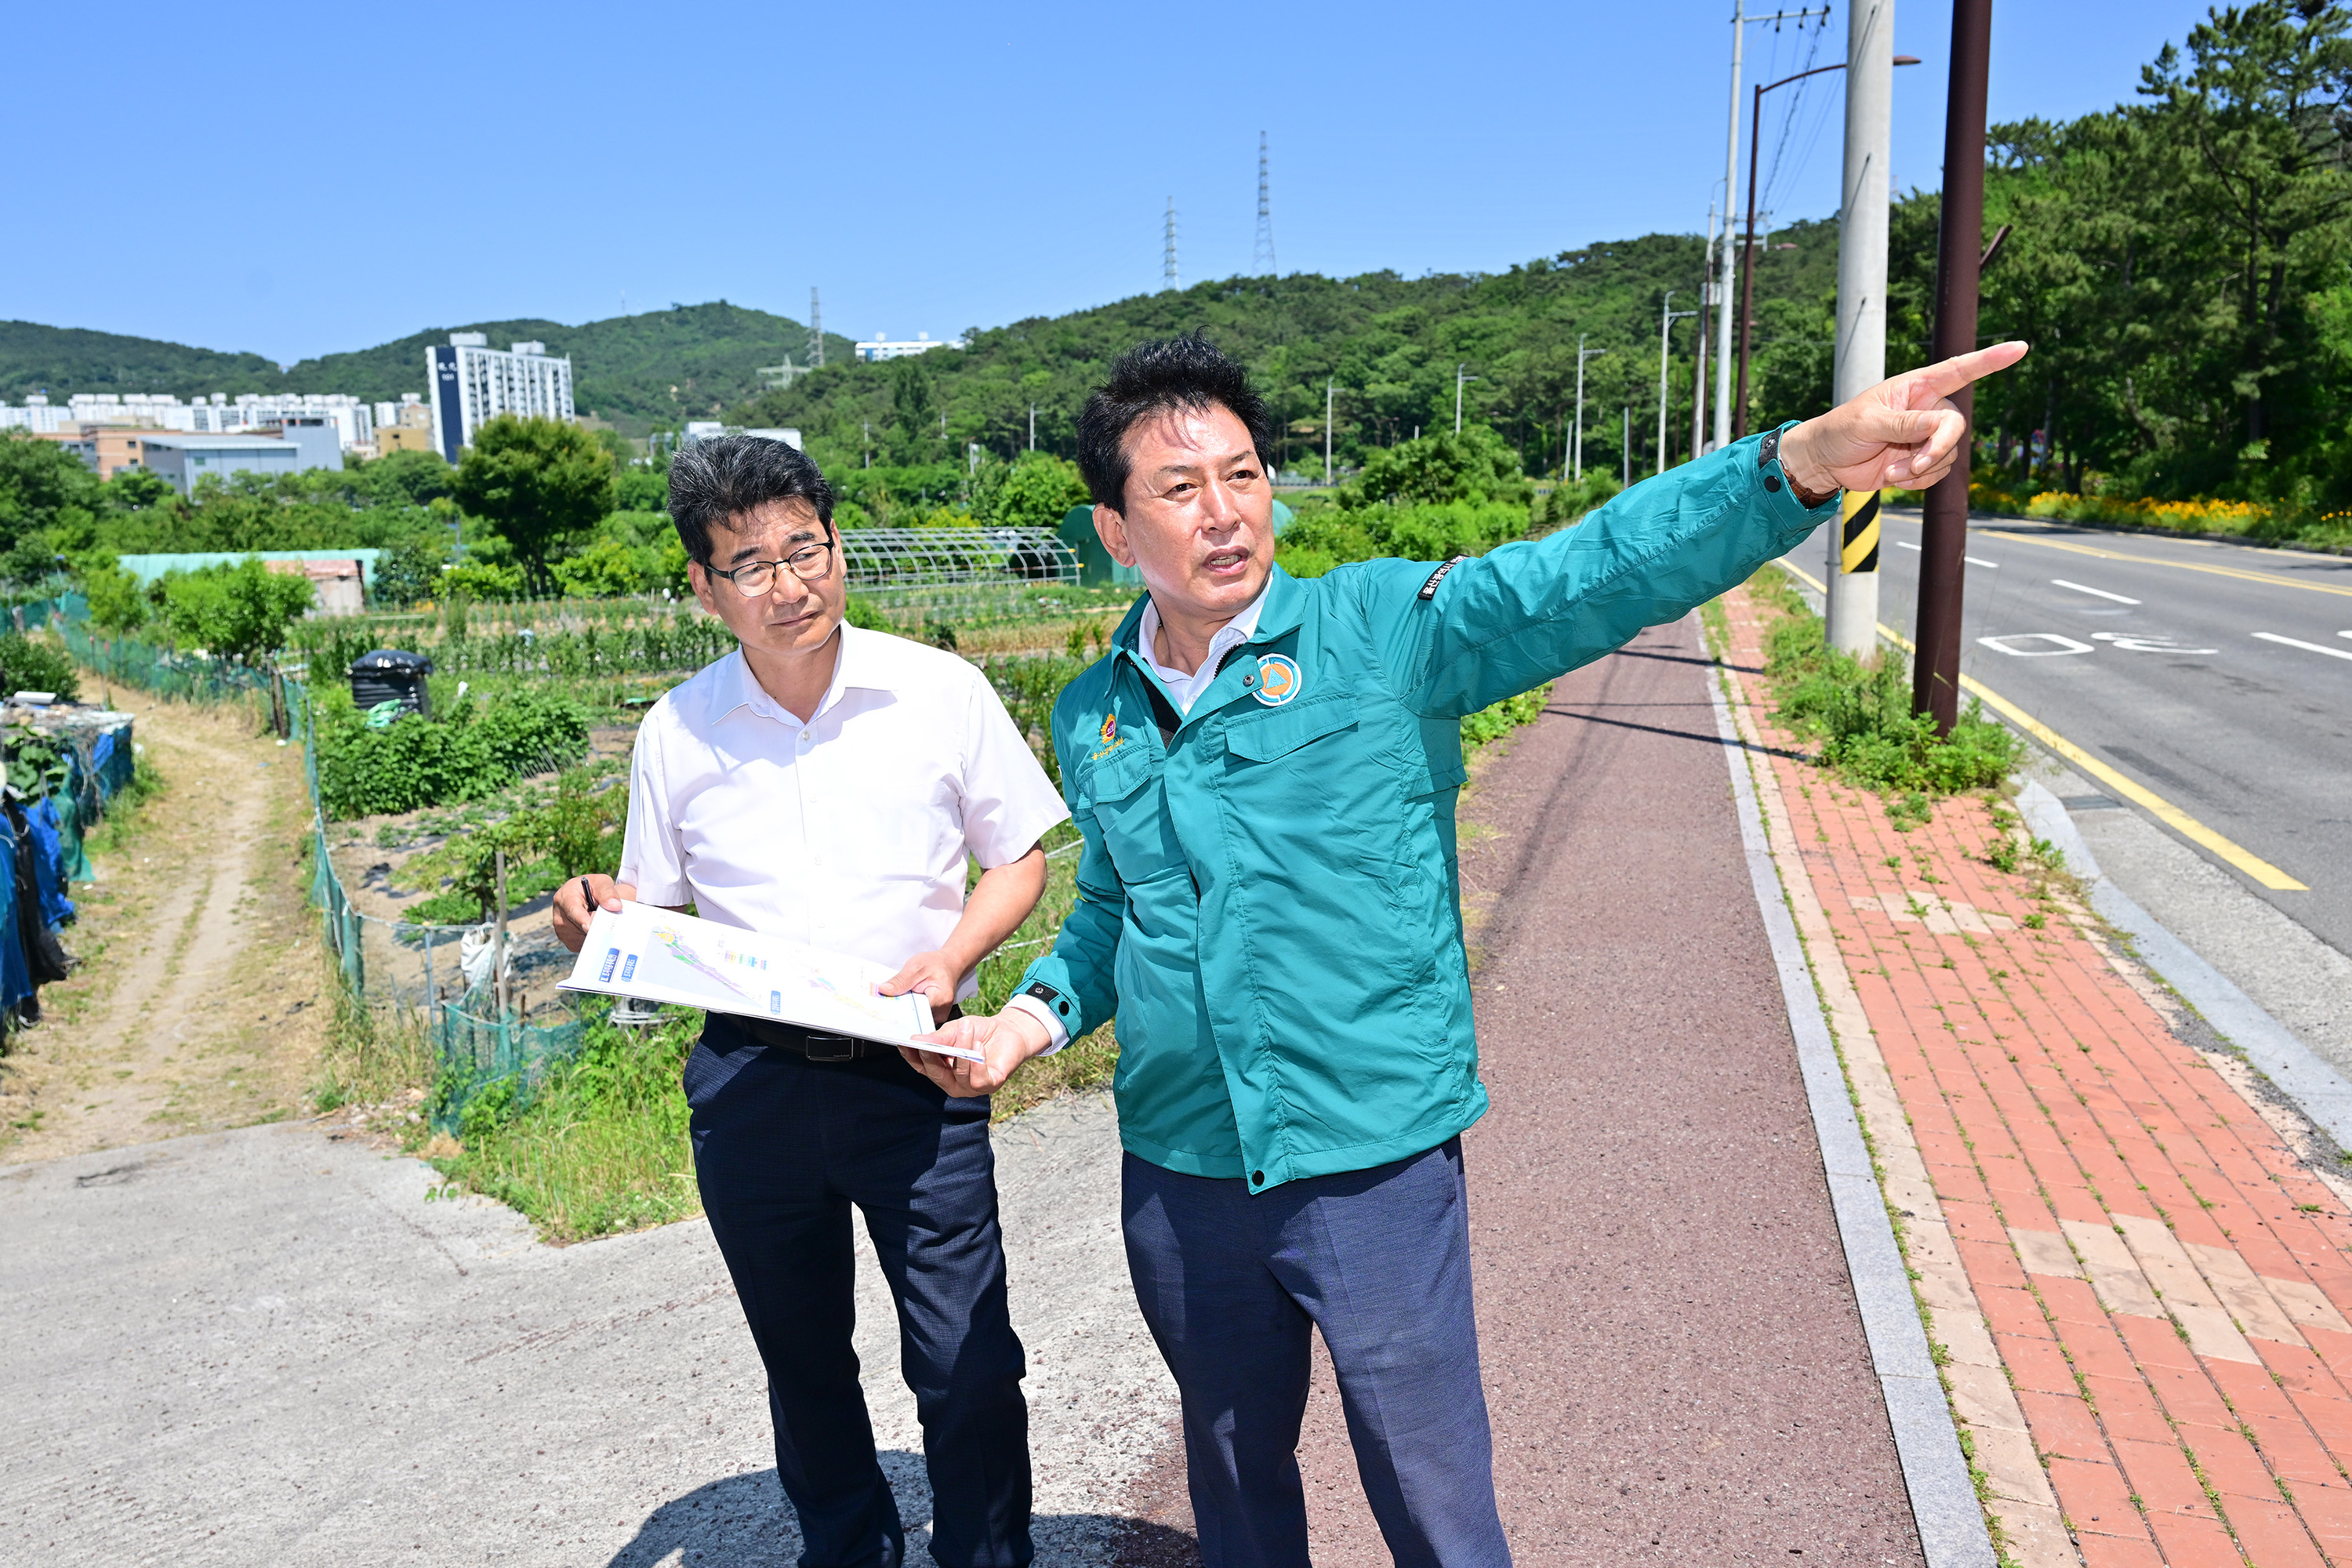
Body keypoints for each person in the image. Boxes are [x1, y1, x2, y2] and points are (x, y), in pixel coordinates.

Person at [902, 332, 2028, 1566]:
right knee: (1230, 1480)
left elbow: (1584, 574)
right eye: (1179, 489)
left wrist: (1801, 465)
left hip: (1371, 1159)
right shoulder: (1095, 709)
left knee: (1431, 1491)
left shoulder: (1381, 632)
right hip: (1181, 1170)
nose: (1224, 515)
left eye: (1244, 474)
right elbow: (1117, 907)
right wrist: (1027, 1019)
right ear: (1116, 530)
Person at [551, 435, 1069, 1568]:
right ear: (704, 586)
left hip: (915, 1071)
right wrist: (592, 910)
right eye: (750, 564)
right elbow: (651, 909)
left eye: (807, 550)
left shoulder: (938, 691)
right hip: (752, 1083)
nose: (789, 587)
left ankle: (988, 1553)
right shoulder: (676, 730)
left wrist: (953, 957)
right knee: (802, 1356)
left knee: (966, 1357)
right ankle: (850, 1550)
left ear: (838, 546)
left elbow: (1019, 857)